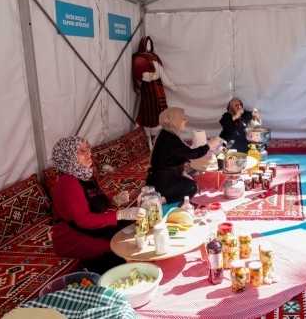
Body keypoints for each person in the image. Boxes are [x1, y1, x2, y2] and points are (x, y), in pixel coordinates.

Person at [51, 136, 147, 274]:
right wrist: (119, 214)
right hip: (73, 236)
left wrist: (112, 201)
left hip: (91, 228)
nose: (89, 153)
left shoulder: (87, 173)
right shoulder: (68, 183)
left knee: (131, 225)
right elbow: (84, 220)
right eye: (81, 151)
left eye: (87, 148)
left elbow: (95, 198)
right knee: (119, 246)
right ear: (69, 157)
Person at [147, 107, 221, 203]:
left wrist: (183, 173)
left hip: (158, 178)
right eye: (183, 118)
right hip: (163, 183)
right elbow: (191, 154)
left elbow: (173, 157)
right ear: (174, 119)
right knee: (192, 187)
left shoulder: (166, 133)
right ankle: (164, 200)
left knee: (190, 180)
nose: (186, 120)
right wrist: (209, 145)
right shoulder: (169, 138)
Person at [133, 36, 177, 130]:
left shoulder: (155, 58)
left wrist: (170, 84)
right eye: (146, 44)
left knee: (161, 108)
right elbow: (138, 73)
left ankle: (161, 130)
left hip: (159, 86)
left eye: (150, 44)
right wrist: (149, 76)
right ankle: (147, 132)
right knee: (149, 108)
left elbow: (162, 74)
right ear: (142, 45)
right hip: (148, 88)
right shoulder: (138, 58)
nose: (148, 47)